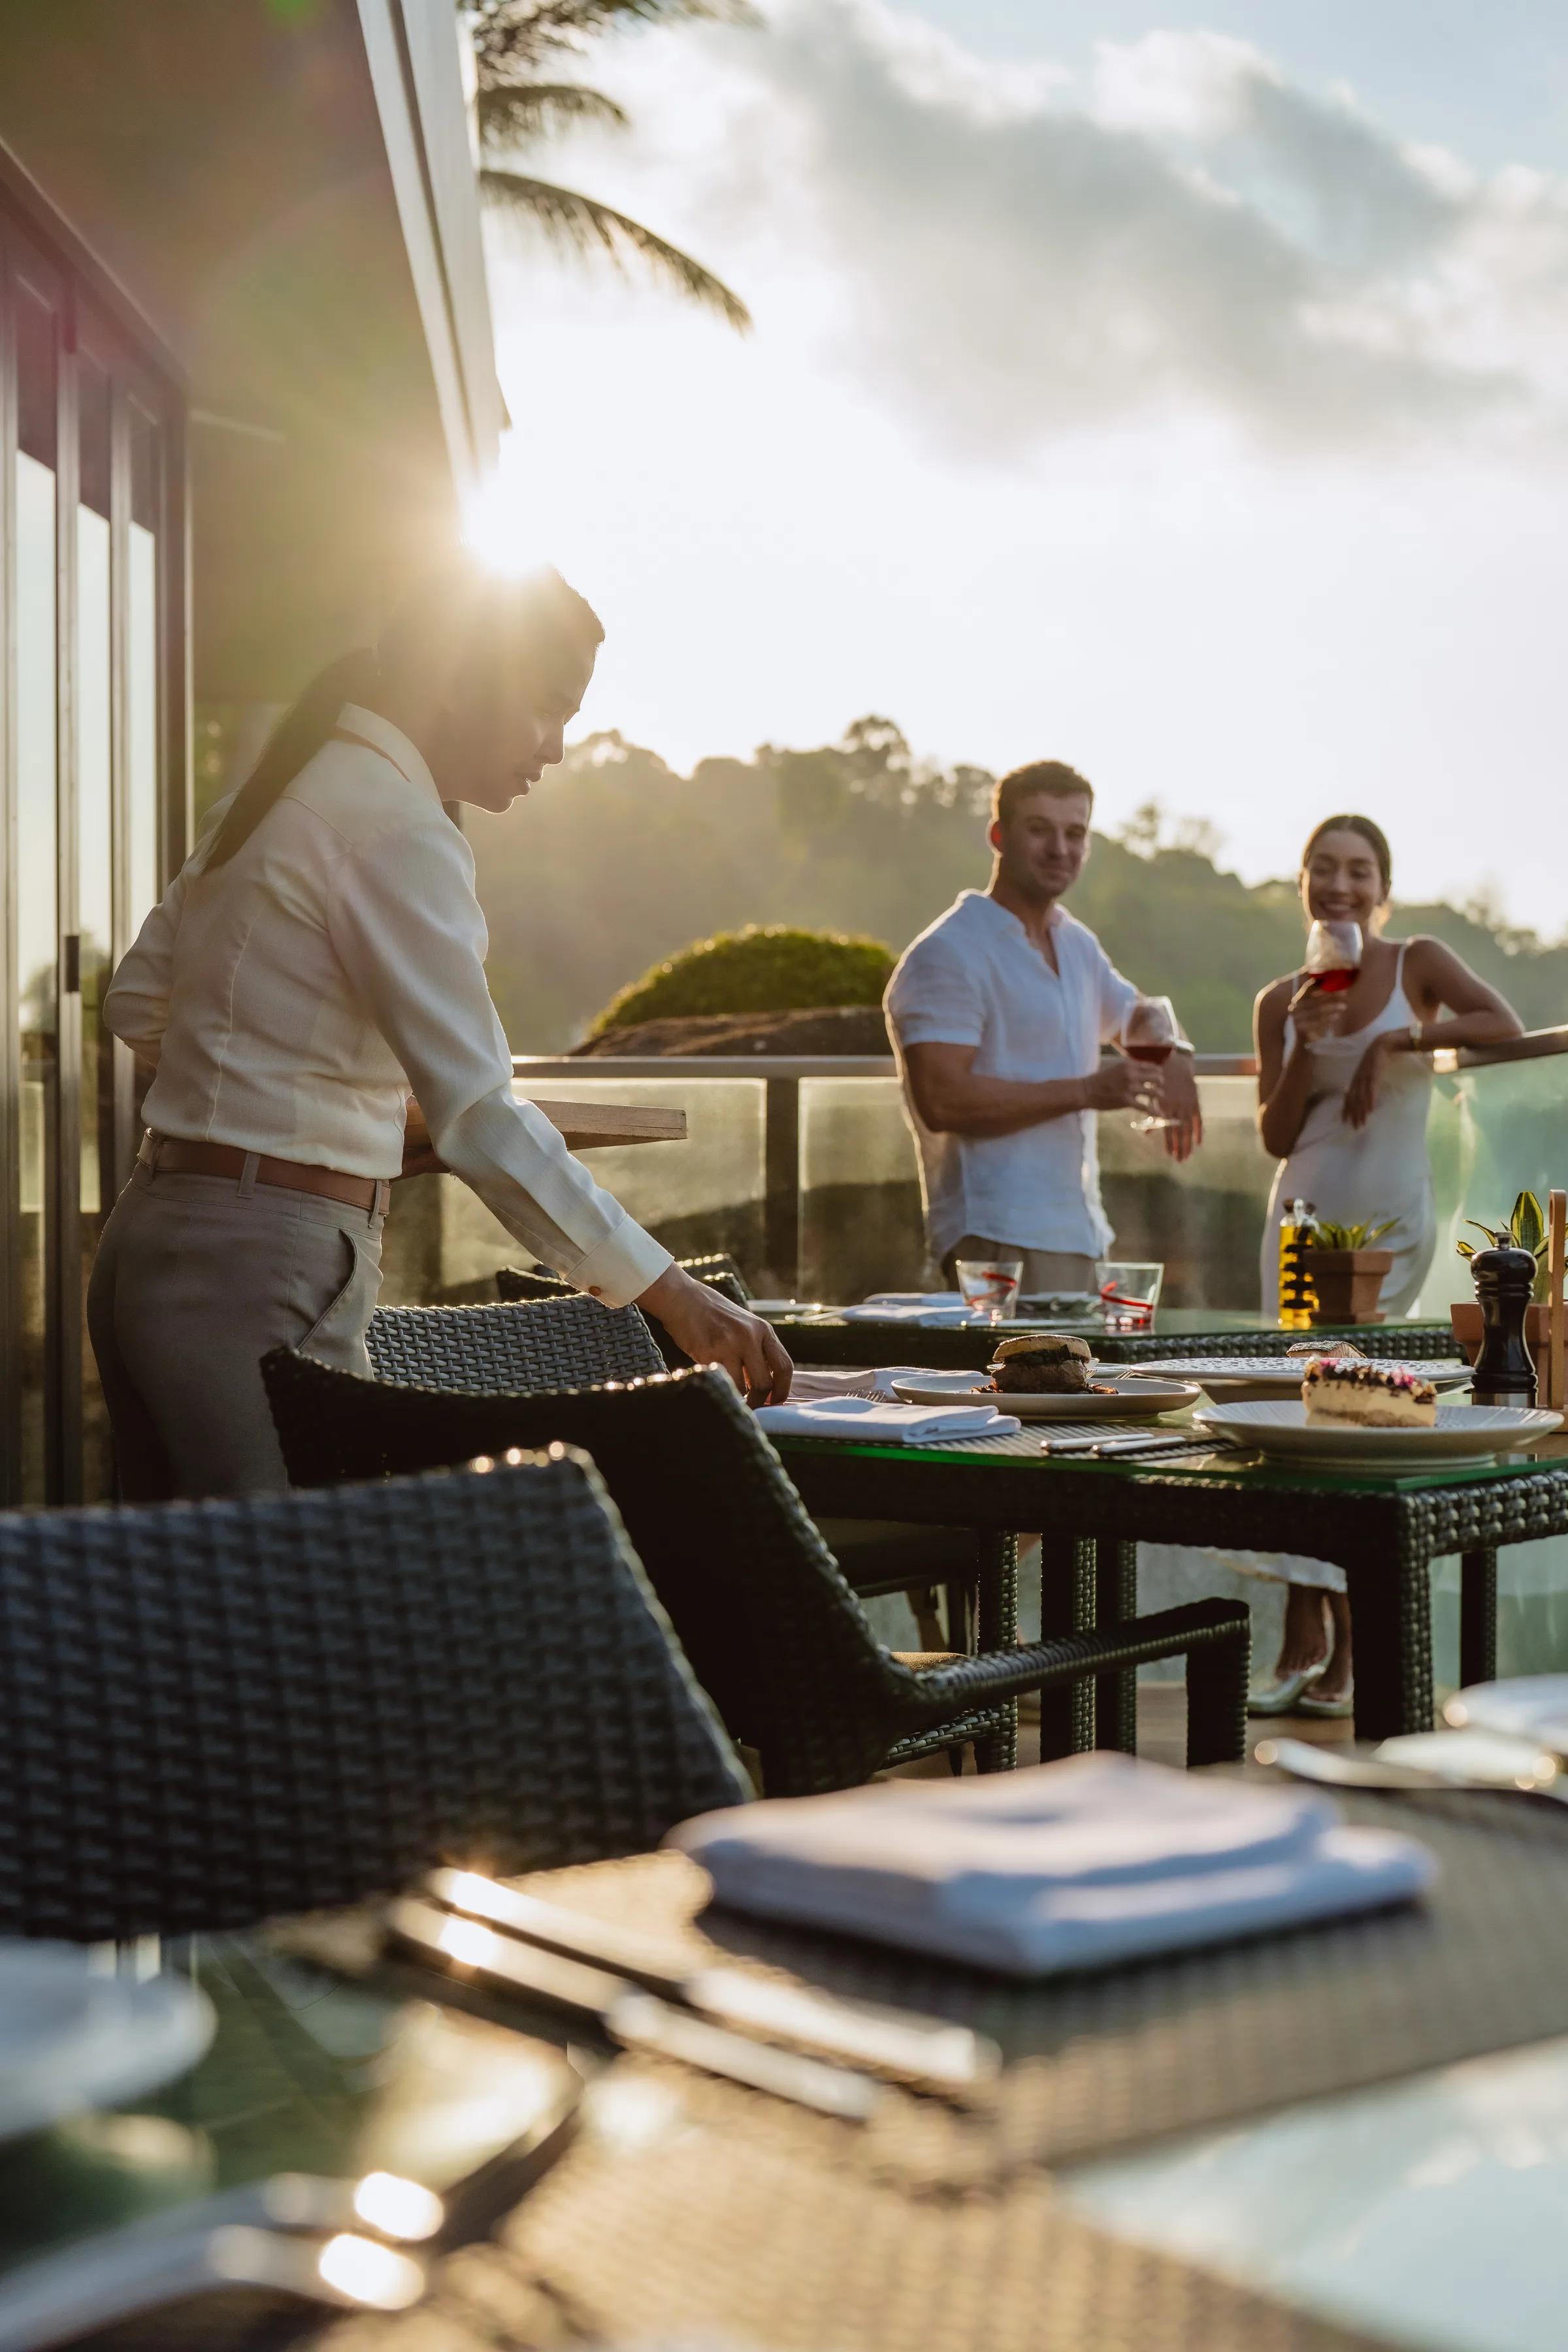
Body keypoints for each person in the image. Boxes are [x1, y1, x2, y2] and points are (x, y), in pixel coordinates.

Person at [90, 558, 791, 1501]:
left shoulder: (266, 800)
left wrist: (287, 1103)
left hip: (151, 1236)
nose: (554, 746)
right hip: (264, 1265)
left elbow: (136, 1004)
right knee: (298, 1606)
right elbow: (483, 1117)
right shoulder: (399, 830)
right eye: (547, 706)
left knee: (181, 1609)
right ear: (458, 676)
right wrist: (677, 1297)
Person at [1239, 811, 1522, 1714]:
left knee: (1364, 1414)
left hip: (1392, 1221)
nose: (1340, 884)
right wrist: (1298, 1038)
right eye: (1324, 868)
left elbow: (1504, 1025)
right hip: (1300, 1220)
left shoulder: (1418, 963)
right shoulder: (1280, 996)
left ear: (1382, 886)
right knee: (1295, 1408)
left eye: (1358, 870)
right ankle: (1308, 1633)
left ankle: (1349, 1646)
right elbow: (1278, 1133)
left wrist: (1398, 1041)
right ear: (1304, 883)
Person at [883, 759, 1202, 1298]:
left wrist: (1183, 1059)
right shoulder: (947, 953)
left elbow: (1141, 1015)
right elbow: (943, 1101)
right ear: (998, 836)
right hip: (995, 1240)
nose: (1060, 848)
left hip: (1081, 1235)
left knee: (1079, 1382)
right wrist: (1087, 1090)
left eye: (1074, 833)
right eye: (1040, 830)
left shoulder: (1075, 942)